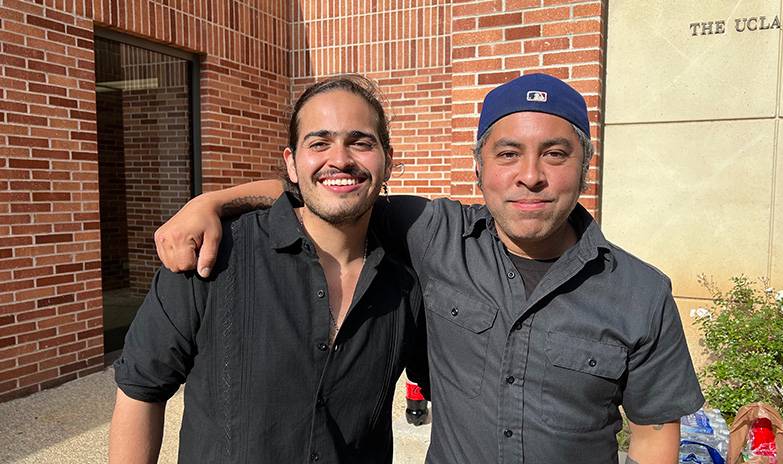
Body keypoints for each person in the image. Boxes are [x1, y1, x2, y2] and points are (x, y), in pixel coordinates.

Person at [154, 73, 705, 464]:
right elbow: (332, 190)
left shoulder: (641, 292)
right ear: (480, 167)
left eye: (556, 154)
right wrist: (214, 201)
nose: (530, 176)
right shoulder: (435, 234)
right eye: (508, 153)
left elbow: (654, 431)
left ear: (585, 165)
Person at [109, 75, 428, 463]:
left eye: (360, 142)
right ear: (292, 163)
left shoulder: (408, 282)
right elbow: (142, 388)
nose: (340, 159)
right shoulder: (213, 258)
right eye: (319, 143)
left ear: (388, 161)